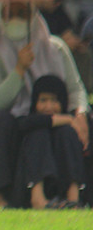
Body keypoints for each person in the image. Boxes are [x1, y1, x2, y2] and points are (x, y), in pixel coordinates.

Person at [0, 0, 90, 208]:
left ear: (33, 16)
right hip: (3, 116)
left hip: (48, 114)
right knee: (2, 121)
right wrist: (18, 70)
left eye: (22, 13)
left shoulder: (55, 48)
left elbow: (75, 89)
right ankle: (1, 200)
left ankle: (72, 197)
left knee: (64, 127)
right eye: (10, 13)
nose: (15, 19)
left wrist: (80, 113)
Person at [14, 74, 86, 209]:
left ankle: (73, 199)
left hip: (62, 181)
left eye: (54, 100)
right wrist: (69, 119)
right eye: (43, 100)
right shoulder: (28, 122)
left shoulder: (69, 128)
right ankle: (38, 199)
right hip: (28, 187)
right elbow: (25, 123)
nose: (49, 106)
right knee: (38, 134)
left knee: (67, 133)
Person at [38, 0, 91, 91]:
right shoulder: (37, 17)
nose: (57, 3)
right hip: (44, 50)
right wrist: (62, 41)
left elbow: (67, 32)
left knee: (84, 54)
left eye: (60, 0)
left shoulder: (59, 11)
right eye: (55, 0)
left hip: (64, 49)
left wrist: (75, 42)